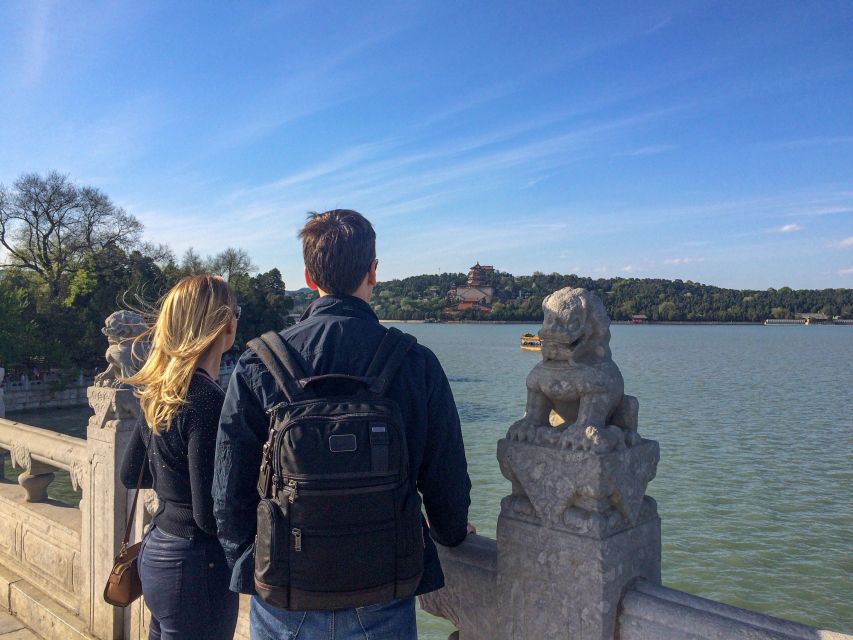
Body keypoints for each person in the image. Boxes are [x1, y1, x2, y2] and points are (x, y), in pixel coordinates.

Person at [214, 209, 473, 640]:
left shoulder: (260, 361)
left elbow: (227, 492)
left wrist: (252, 565)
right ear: (373, 271)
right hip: (383, 587)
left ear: (309, 275)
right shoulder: (415, 362)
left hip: (285, 594)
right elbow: (446, 480)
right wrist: (451, 532)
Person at [119, 275, 240, 640]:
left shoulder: (160, 392)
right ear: (225, 324)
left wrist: (175, 485)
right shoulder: (209, 401)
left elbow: (130, 474)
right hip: (195, 564)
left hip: (156, 551)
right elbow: (207, 516)